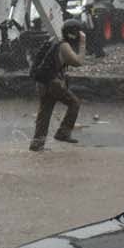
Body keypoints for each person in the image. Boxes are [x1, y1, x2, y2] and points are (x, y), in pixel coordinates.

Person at [29, 19, 89, 152]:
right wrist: (83, 43)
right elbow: (78, 61)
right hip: (52, 82)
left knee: (44, 113)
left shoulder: (54, 41)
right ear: (73, 34)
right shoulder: (64, 46)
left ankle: (37, 145)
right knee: (74, 103)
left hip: (41, 82)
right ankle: (63, 133)